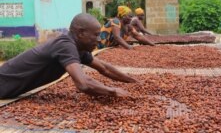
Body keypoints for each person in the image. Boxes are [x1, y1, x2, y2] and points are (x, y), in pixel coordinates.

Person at [0, 13, 138, 99]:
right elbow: (83, 84)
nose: (99, 40)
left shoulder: (79, 48)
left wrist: (133, 81)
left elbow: (104, 68)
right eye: (95, 35)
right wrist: (113, 92)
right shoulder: (65, 45)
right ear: (80, 33)